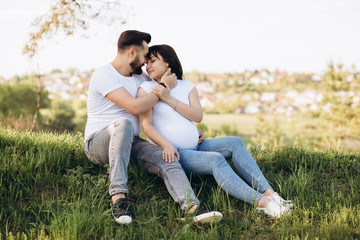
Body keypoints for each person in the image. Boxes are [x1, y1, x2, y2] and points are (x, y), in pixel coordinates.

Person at [83, 30, 223, 225]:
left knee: (167, 154)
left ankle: (191, 208)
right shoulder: (104, 75)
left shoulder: (141, 78)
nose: (145, 61)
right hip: (98, 143)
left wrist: (190, 129)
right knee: (123, 124)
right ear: (132, 52)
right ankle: (118, 198)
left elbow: (161, 101)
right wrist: (163, 87)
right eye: (144, 55)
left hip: (131, 141)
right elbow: (135, 106)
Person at [138, 44, 293, 218]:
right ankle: (262, 203)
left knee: (235, 141)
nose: (147, 66)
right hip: (176, 154)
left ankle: (268, 192)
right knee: (216, 160)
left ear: (167, 63)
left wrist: (168, 98)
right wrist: (165, 145)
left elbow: (197, 116)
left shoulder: (187, 86)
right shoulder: (146, 89)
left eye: (152, 61)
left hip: (198, 146)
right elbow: (147, 126)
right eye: (146, 63)